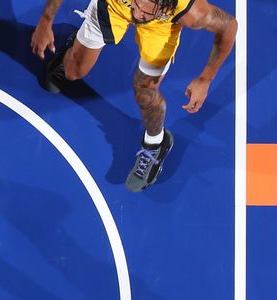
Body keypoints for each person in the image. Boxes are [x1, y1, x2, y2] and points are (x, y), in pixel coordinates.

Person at [31, 0, 237, 191]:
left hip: (160, 27)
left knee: (146, 91)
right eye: (137, 4)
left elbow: (229, 26)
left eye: (144, 11)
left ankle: (155, 143)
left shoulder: (191, 11)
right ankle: (74, 50)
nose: (136, 13)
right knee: (73, 71)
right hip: (115, 4)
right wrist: (45, 21)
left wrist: (205, 78)